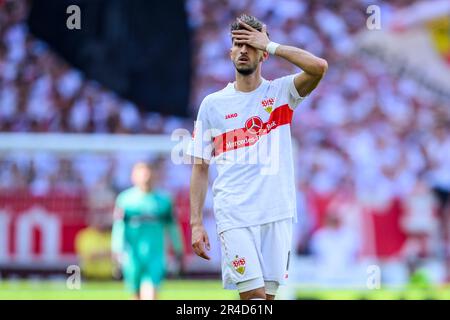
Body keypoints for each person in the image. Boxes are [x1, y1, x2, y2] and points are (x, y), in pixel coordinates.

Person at [187, 14, 327, 300]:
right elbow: (200, 167)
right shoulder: (212, 105)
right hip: (234, 214)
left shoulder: (281, 92)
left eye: (250, 45)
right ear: (229, 52)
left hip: (277, 212)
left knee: (268, 300)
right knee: (253, 300)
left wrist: (272, 44)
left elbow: (319, 67)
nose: (243, 51)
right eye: (238, 44)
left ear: (263, 53)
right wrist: (196, 223)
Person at [111, 162, 184, 300]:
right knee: (135, 294)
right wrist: (116, 250)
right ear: (134, 177)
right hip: (132, 255)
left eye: (148, 173)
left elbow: (173, 227)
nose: (146, 177)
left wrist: (178, 249)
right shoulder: (125, 200)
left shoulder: (164, 200)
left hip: (155, 255)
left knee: (151, 293)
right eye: (142, 174)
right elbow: (118, 227)